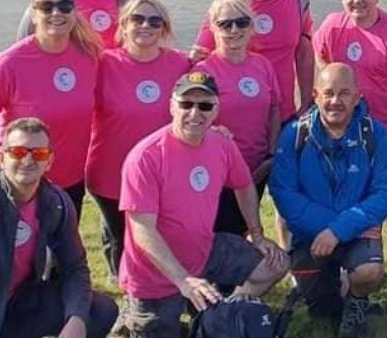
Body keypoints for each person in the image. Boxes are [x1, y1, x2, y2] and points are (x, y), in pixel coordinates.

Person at [119, 71, 289, 338]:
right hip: (155, 278)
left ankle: (220, 316)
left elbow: (244, 185)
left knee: (276, 264)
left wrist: (257, 235)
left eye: (205, 105)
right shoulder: (145, 157)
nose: (195, 113)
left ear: (216, 109)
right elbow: (143, 230)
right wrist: (182, 280)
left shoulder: (221, 143)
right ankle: (132, 317)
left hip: (205, 251)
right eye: (186, 104)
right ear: (172, 106)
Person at [313, 0, 387, 309]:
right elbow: (322, 65)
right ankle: (347, 280)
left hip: (386, 140)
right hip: (343, 141)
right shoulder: (333, 26)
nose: (357, 0)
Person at [270, 63, 387, 338]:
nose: (335, 101)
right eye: (328, 93)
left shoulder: (375, 134)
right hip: (312, 235)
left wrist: (340, 230)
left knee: (369, 272)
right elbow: (283, 193)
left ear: (357, 96)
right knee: (323, 310)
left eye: (344, 93)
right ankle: (330, 287)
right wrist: (330, 228)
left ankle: (358, 301)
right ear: (315, 94)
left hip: (355, 231)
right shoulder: (295, 134)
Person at [0, 117, 117, 338]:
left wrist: (76, 318)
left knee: (100, 310)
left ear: (49, 161)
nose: (28, 161)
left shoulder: (56, 202)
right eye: (18, 152)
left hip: (19, 302)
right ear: (1, 158)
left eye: (38, 154)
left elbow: (74, 268)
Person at [0, 0, 101, 218]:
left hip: (71, 179)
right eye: (46, 6)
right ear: (33, 15)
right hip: (20, 178)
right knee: (19, 252)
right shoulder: (9, 63)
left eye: (65, 6)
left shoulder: (88, 56)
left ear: (74, 13)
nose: (56, 12)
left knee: (63, 250)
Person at [87, 0, 190, 279]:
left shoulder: (181, 64)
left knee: (159, 233)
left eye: (155, 21)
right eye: (138, 19)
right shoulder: (102, 63)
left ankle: (159, 285)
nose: (146, 25)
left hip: (163, 171)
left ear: (164, 29)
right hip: (110, 171)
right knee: (122, 236)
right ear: (123, 24)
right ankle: (125, 290)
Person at [192, 0, 314, 123]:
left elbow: (304, 54)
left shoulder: (298, 1)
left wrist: (306, 103)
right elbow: (201, 56)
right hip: (235, 118)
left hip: (284, 114)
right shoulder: (228, 4)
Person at [193, 0, 281, 236]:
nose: (234, 30)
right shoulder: (203, 72)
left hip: (257, 167)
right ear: (213, 27)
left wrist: (271, 153)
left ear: (252, 25)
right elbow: (193, 120)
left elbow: (274, 109)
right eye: (225, 24)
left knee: (243, 229)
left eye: (241, 22)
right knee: (222, 232)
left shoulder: (262, 65)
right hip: (219, 173)